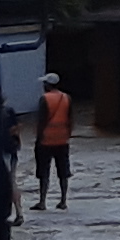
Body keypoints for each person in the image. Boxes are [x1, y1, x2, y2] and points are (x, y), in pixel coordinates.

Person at [33, 74, 73, 210]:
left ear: (47, 85)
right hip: (62, 139)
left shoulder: (45, 99)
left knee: (43, 171)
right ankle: (63, 200)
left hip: (46, 140)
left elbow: (41, 121)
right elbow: (70, 119)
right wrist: (68, 135)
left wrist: (38, 138)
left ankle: (42, 201)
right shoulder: (66, 98)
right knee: (63, 171)